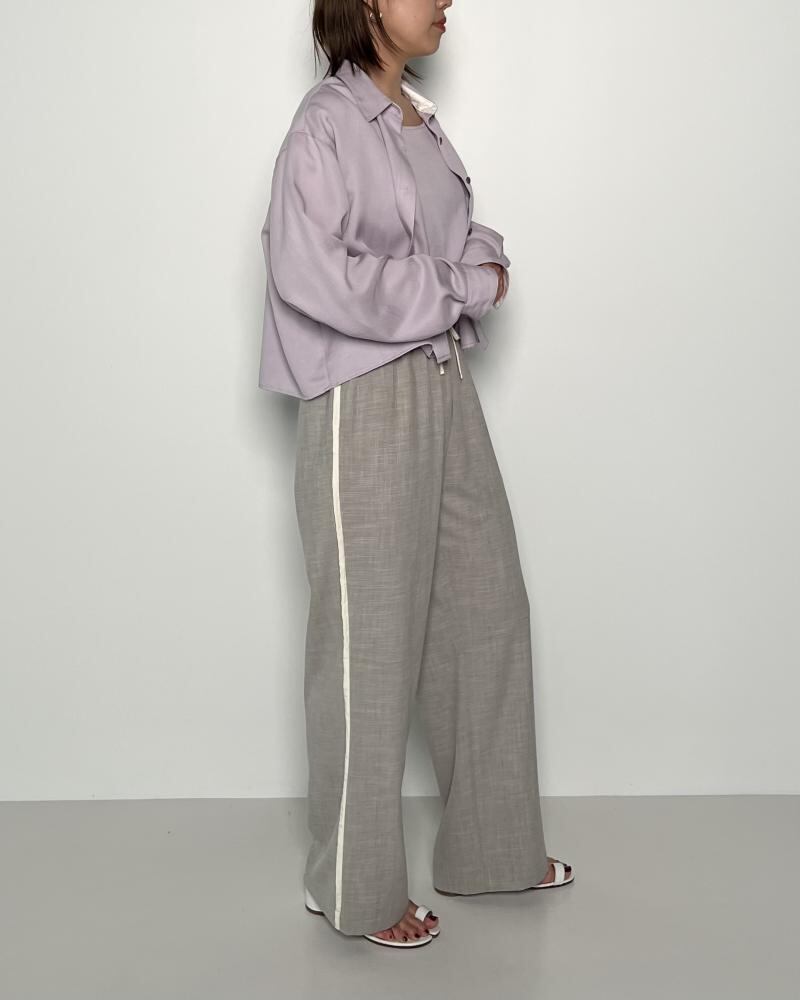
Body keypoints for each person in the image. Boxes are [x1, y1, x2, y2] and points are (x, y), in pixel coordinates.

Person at [258, 0, 573, 950]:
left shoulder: (418, 122)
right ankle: (351, 888)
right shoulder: (324, 125)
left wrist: (469, 270)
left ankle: (491, 849)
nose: (445, 1)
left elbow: (468, 239)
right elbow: (314, 276)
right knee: (370, 642)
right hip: (362, 398)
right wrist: (462, 285)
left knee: (486, 611)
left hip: (443, 381)